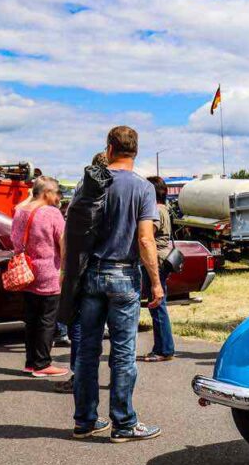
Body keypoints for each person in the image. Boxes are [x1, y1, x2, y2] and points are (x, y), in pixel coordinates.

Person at [70, 126, 163, 442]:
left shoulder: (90, 183)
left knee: (87, 351)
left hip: (91, 274)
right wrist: (156, 283)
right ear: (135, 152)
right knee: (123, 353)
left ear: (109, 148)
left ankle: (85, 420)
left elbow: (71, 230)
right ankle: (123, 424)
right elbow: (146, 240)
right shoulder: (142, 188)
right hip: (124, 275)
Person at [10, 176, 69, 377]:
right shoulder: (52, 213)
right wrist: (65, 270)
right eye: (56, 192)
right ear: (46, 193)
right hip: (48, 273)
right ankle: (43, 364)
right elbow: (64, 243)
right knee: (47, 320)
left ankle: (30, 362)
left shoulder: (20, 212)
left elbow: (14, 237)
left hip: (25, 272)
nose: (58, 196)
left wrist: (30, 195)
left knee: (32, 321)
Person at [141, 176, 176, 362]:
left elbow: (147, 236)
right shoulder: (165, 209)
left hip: (157, 261)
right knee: (158, 306)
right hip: (164, 259)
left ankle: (164, 349)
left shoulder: (155, 211)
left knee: (157, 306)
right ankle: (162, 347)